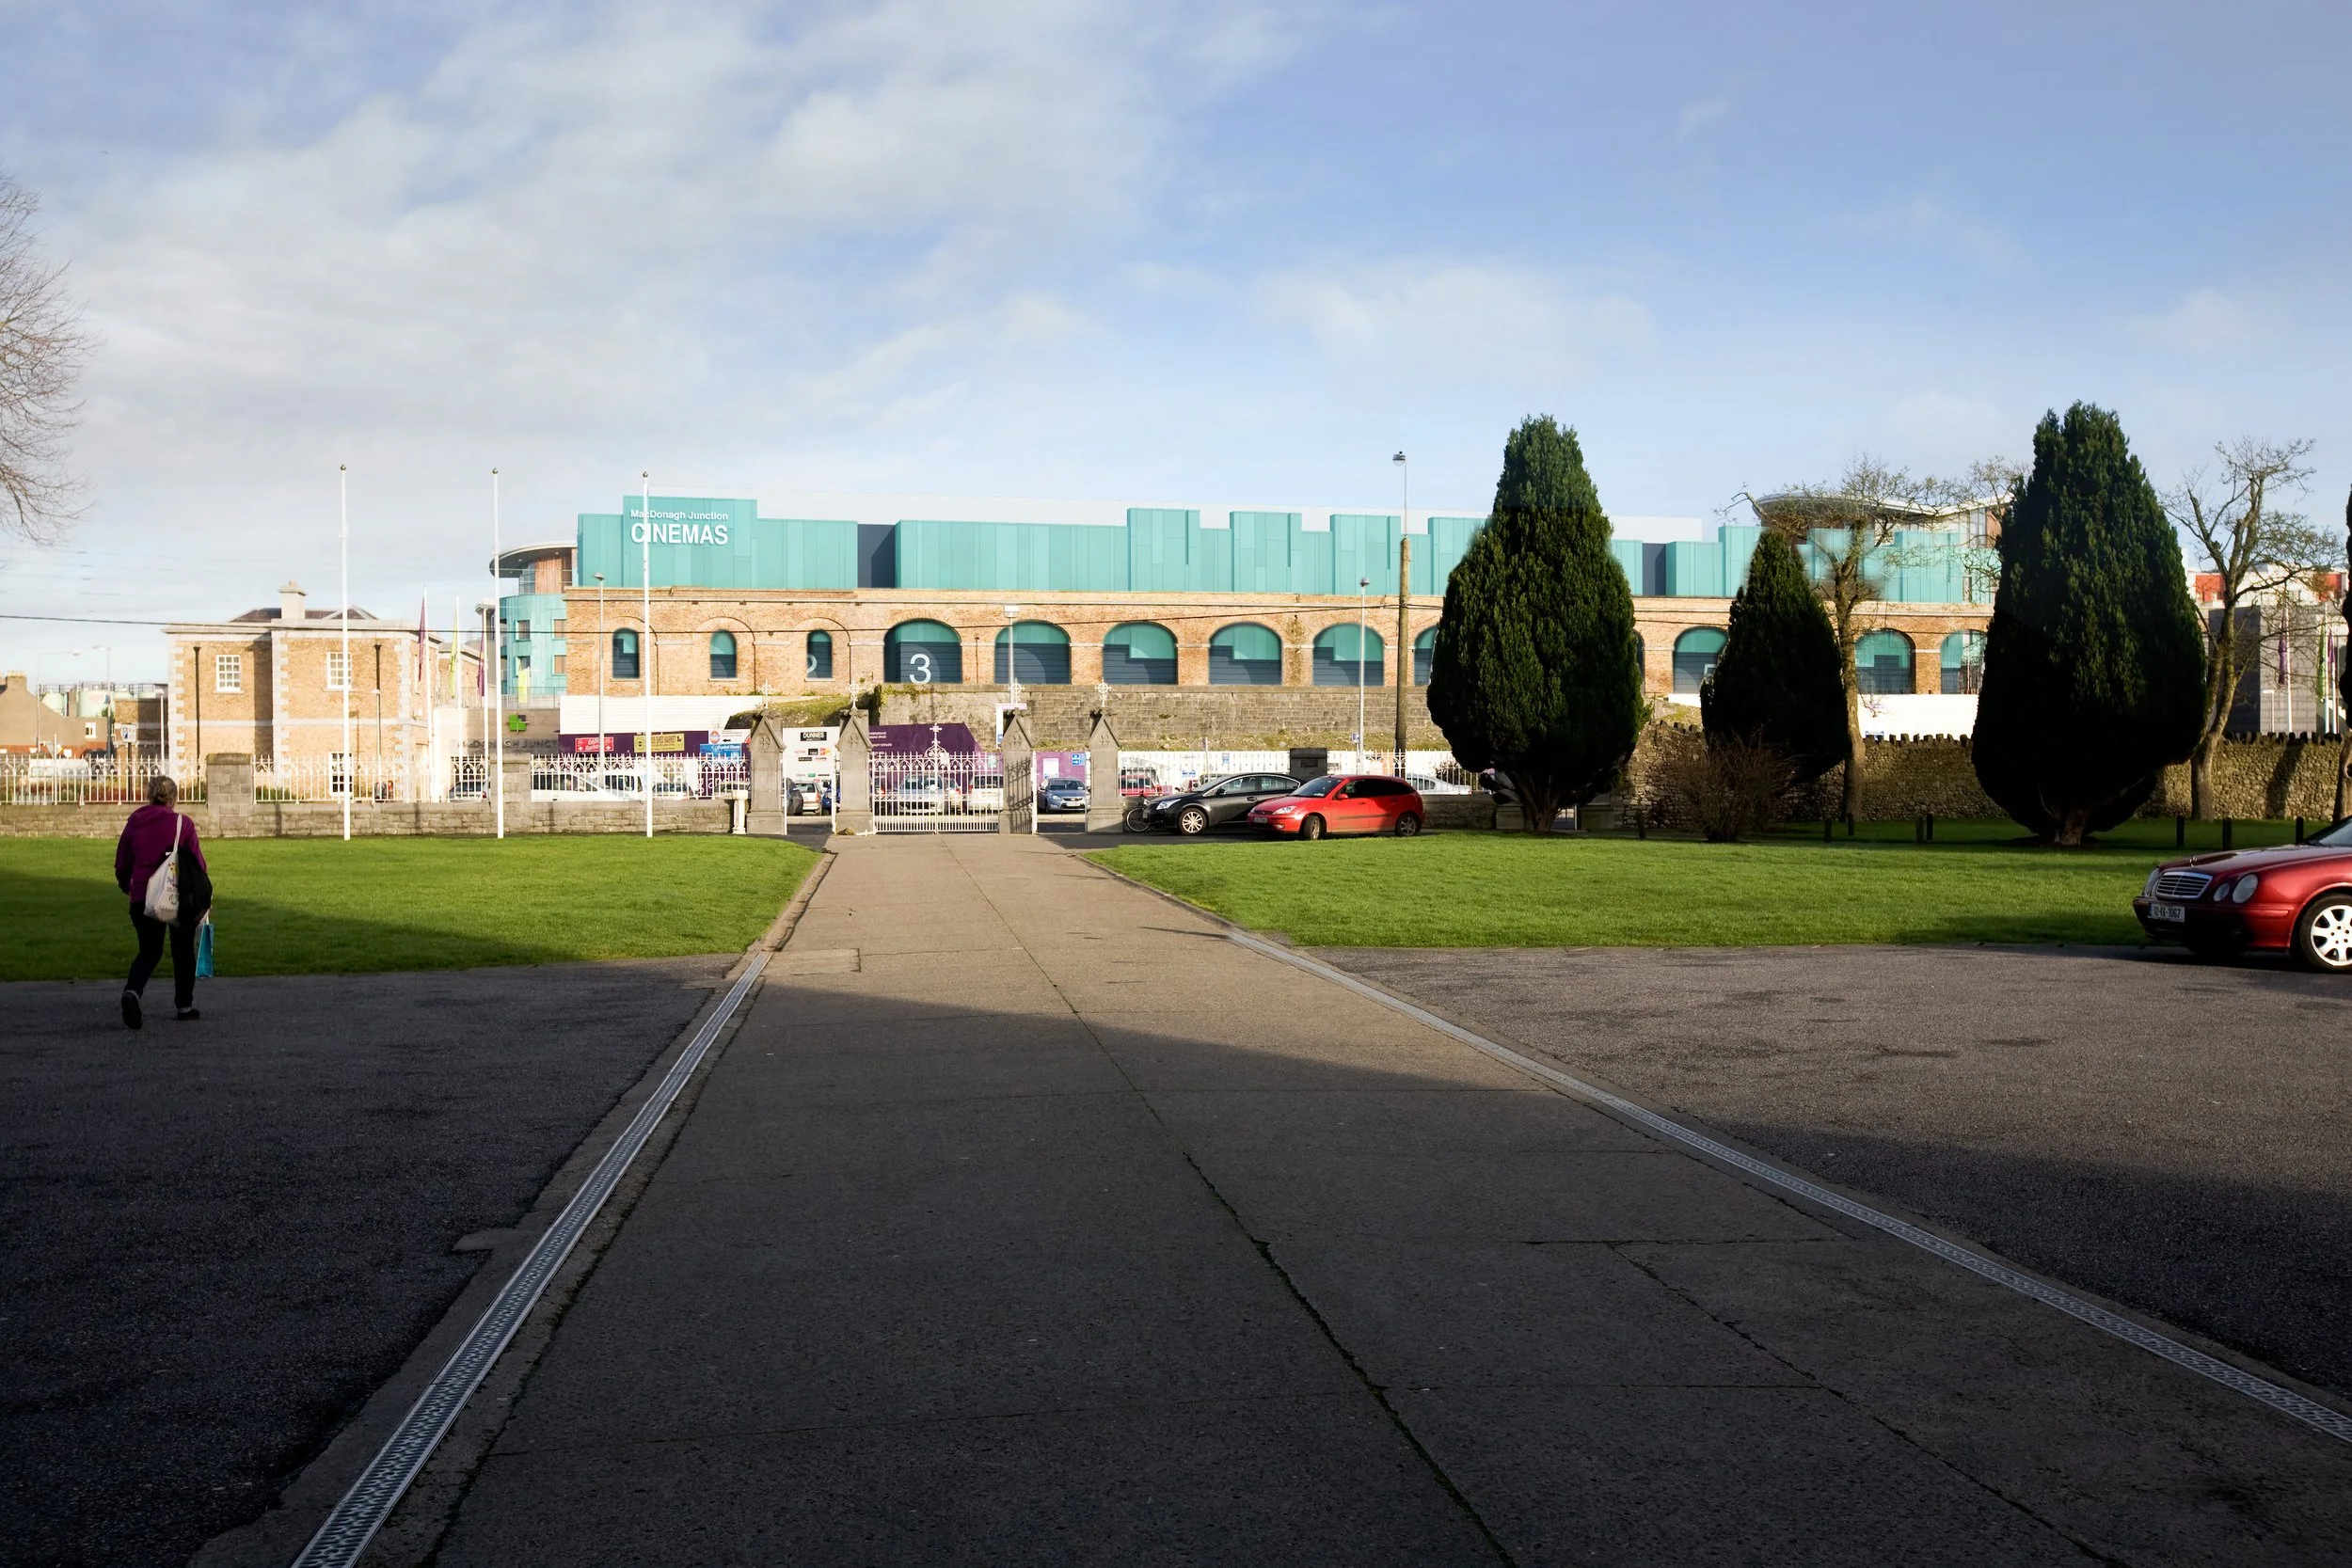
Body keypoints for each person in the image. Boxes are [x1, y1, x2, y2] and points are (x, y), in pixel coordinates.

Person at [115, 773, 209, 1028]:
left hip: (143, 897)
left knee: (149, 952)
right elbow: (198, 864)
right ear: (174, 798)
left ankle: (132, 992)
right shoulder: (182, 824)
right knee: (182, 951)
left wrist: (127, 885)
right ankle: (184, 1005)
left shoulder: (135, 821)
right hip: (176, 896)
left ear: (150, 794)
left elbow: (122, 861)